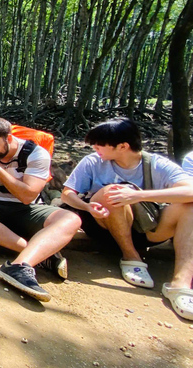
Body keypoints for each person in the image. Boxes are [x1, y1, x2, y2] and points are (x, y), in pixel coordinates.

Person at [60, 118, 193, 320]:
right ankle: (130, 256)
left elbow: (190, 191)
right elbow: (67, 193)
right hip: (103, 224)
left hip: (147, 227)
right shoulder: (93, 161)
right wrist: (87, 206)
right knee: (112, 192)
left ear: (123, 146)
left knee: (190, 206)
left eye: (100, 144)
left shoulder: (156, 164)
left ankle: (180, 284)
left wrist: (138, 196)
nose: (95, 148)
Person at [0, 117, 81, 303]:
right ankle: (41, 254)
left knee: (71, 219)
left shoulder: (36, 154)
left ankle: (18, 266)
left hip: (28, 207)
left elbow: (26, 196)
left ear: (9, 138)